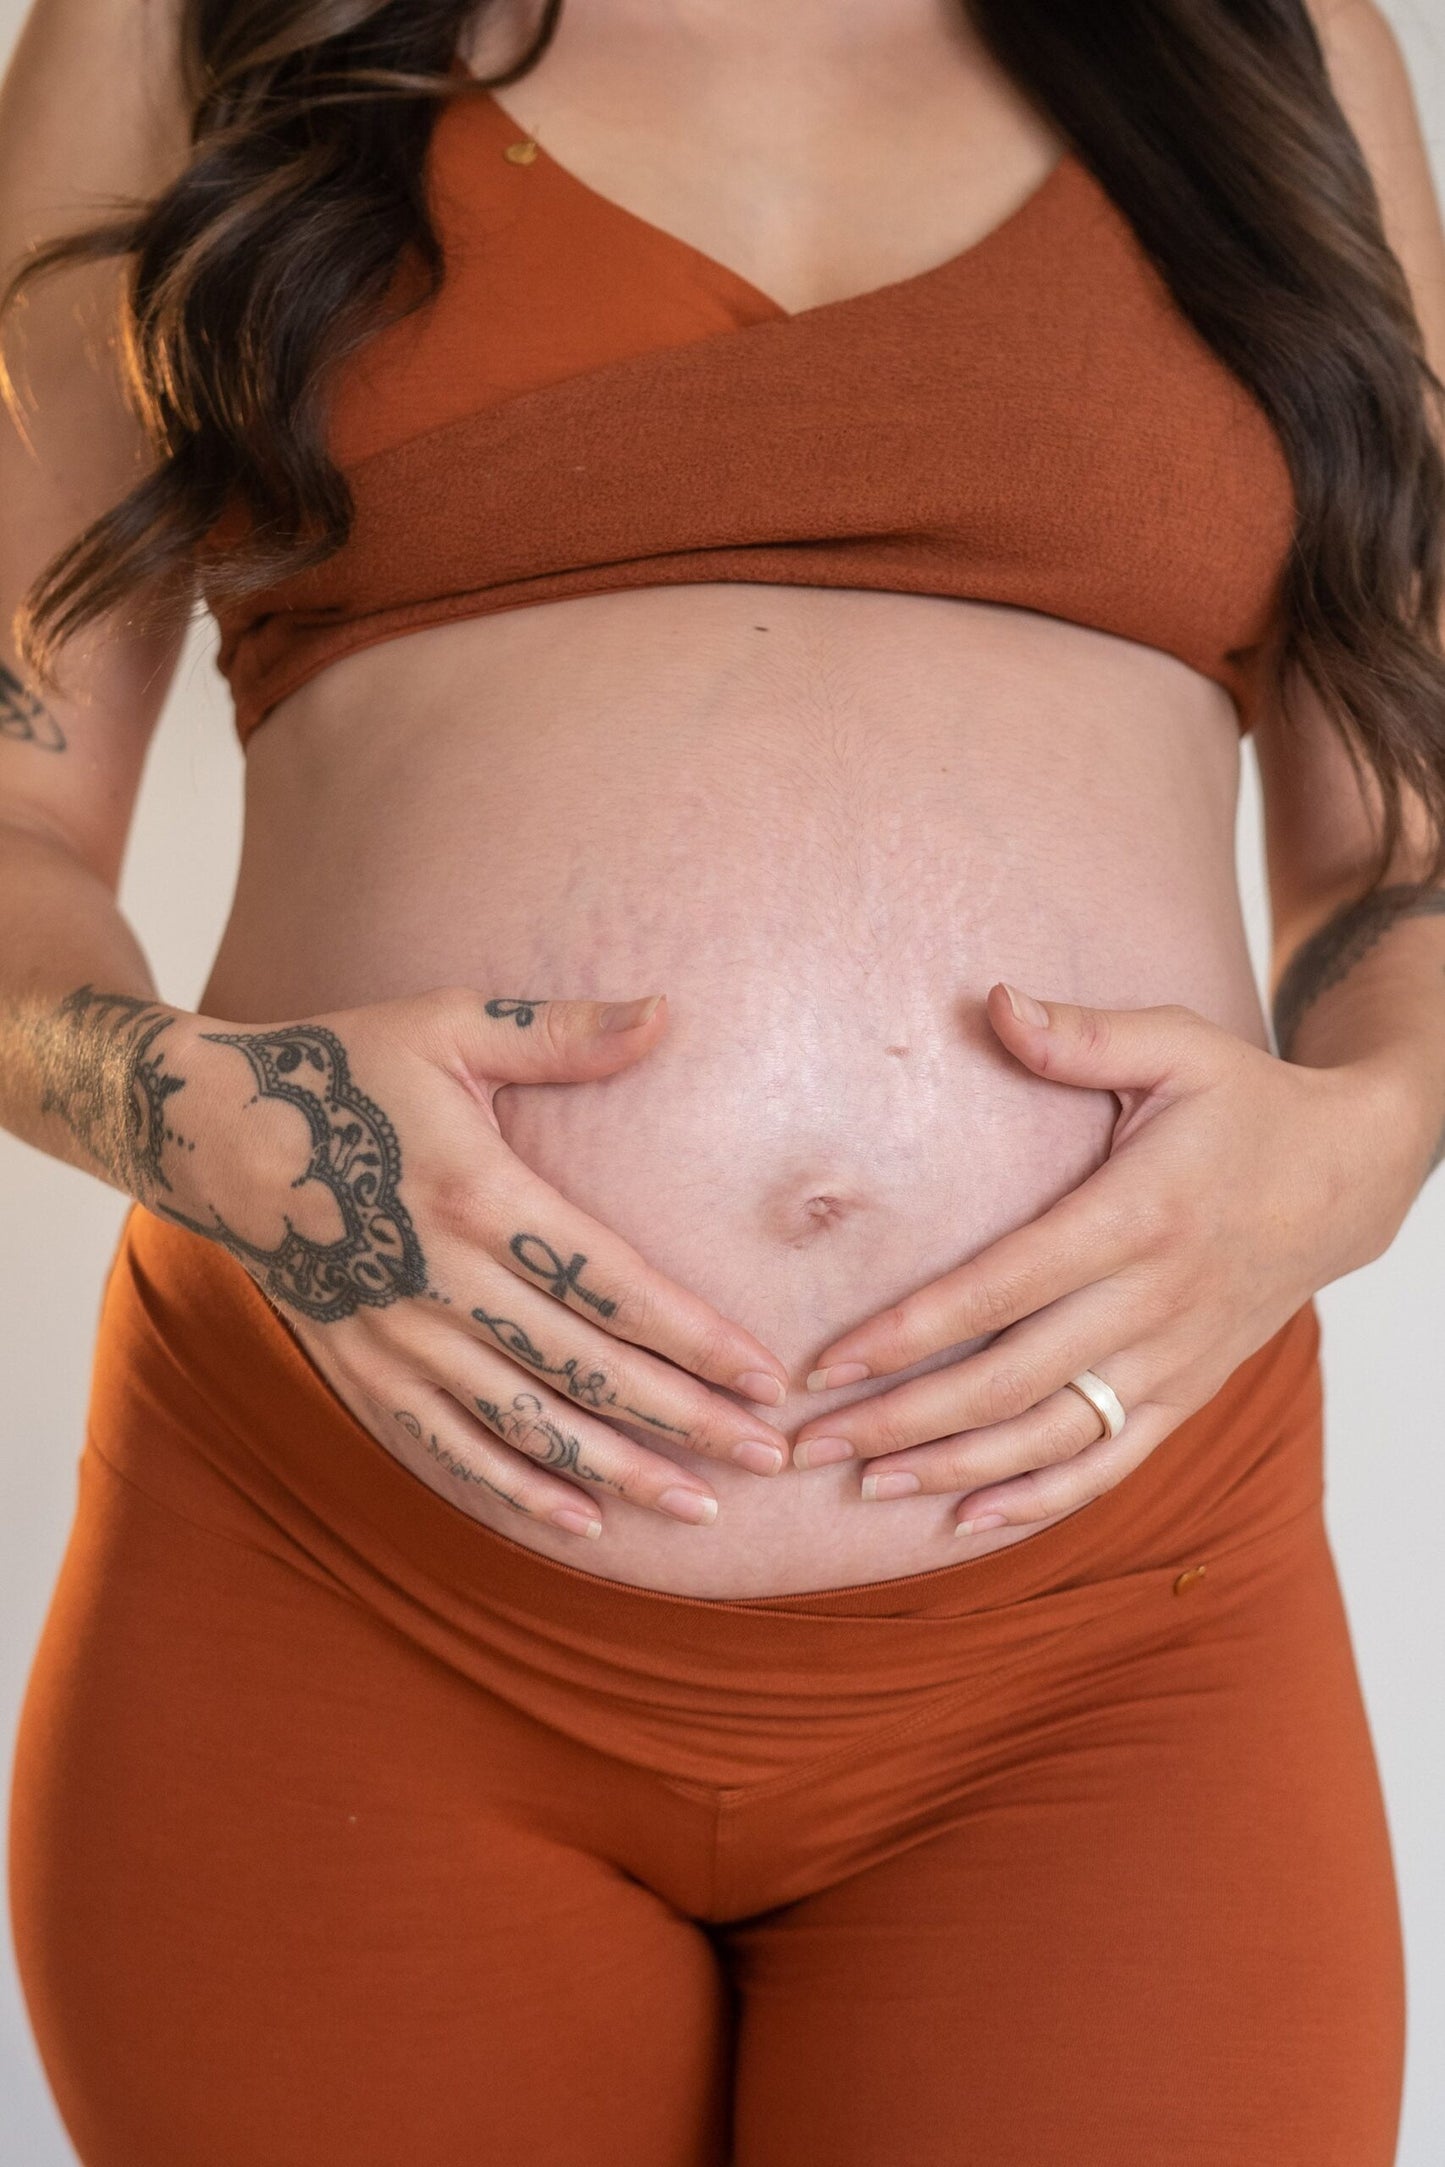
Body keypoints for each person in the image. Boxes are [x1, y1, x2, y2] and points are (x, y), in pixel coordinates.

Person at [2, 0, 1442, 2158]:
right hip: (344, 1595)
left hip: (1107, 1647)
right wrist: (191, 1117)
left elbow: (1409, 849)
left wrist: (1361, 1143)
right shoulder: (185, 27)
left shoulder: (1270, 40)